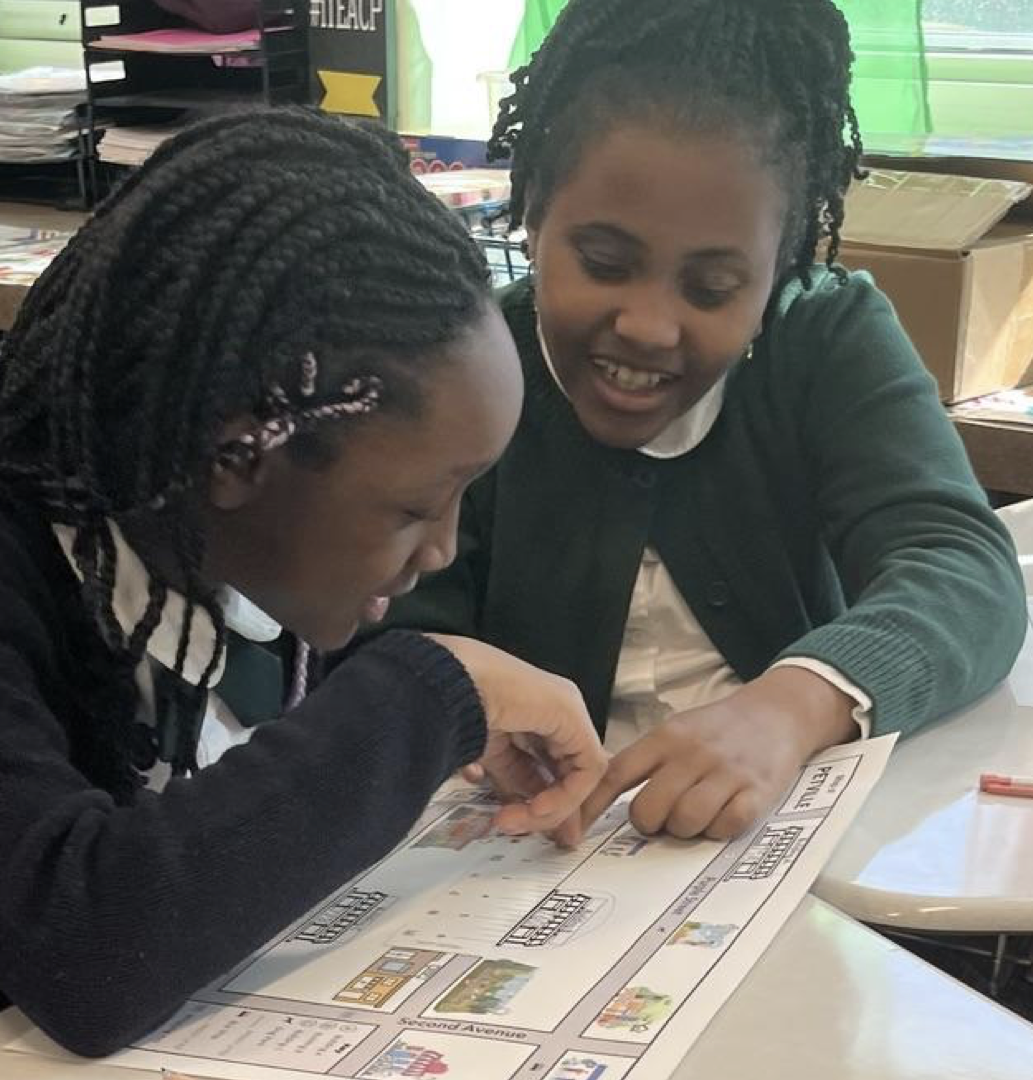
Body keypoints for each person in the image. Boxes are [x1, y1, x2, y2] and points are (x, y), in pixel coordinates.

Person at [0, 108, 607, 1056]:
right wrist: (435, 697)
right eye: (415, 508)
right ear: (235, 458)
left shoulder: (192, 518)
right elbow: (86, 950)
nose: (442, 549)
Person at [377, 0, 1026, 841]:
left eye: (713, 289)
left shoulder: (825, 337)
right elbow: (392, 627)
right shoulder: (469, 370)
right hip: (524, 851)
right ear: (531, 213)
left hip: (776, 842)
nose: (649, 327)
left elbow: (962, 568)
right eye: (604, 263)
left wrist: (793, 705)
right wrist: (459, 703)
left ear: (780, 267)